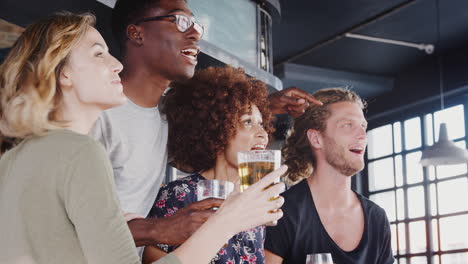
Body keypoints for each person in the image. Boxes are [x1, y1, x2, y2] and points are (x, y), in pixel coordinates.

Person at [0, 12, 286, 264]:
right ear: (63, 74)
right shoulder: (81, 152)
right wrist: (228, 220)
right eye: (99, 53)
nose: (116, 64)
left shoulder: (15, 158)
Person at [91, 0, 323, 248]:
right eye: (179, 21)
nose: (194, 34)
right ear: (137, 33)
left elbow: (212, 135)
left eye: (195, 26)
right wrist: (162, 228)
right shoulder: (95, 115)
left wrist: (258, 108)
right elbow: (66, 219)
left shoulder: (163, 119)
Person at [143, 66, 274, 263]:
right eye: (248, 122)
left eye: (261, 123)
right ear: (218, 129)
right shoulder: (180, 194)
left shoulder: (254, 200)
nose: (262, 133)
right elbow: (151, 257)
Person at [264, 88, 394, 264]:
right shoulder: (282, 213)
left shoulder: (377, 218)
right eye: (347, 125)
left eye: (363, 126)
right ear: (316, 139)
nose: (362, 135)